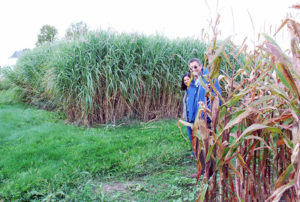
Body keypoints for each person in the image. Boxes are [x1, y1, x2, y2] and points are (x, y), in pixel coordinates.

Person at [186, 58, 222, 176]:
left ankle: (211, 170)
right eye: (191, 68)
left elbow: (217, 97)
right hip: (194, 119)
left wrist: (211, 113)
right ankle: (202, 169)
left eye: (195, 67)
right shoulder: (192, 82)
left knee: (208, 144)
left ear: (201, 66)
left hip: (205, 117)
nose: (193, 70)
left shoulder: (209, 78)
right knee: (197, 145)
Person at [181, 72, 193, 157]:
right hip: (187, 118)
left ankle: (199, 154)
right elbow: (185, 103)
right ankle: (194, 153)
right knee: (191, 136)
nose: (186, 81)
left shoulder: (194, 89)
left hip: (193, 117)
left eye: (187, 79)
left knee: (196, 136)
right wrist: (183, 113)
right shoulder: (186, 91)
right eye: (184, 80)